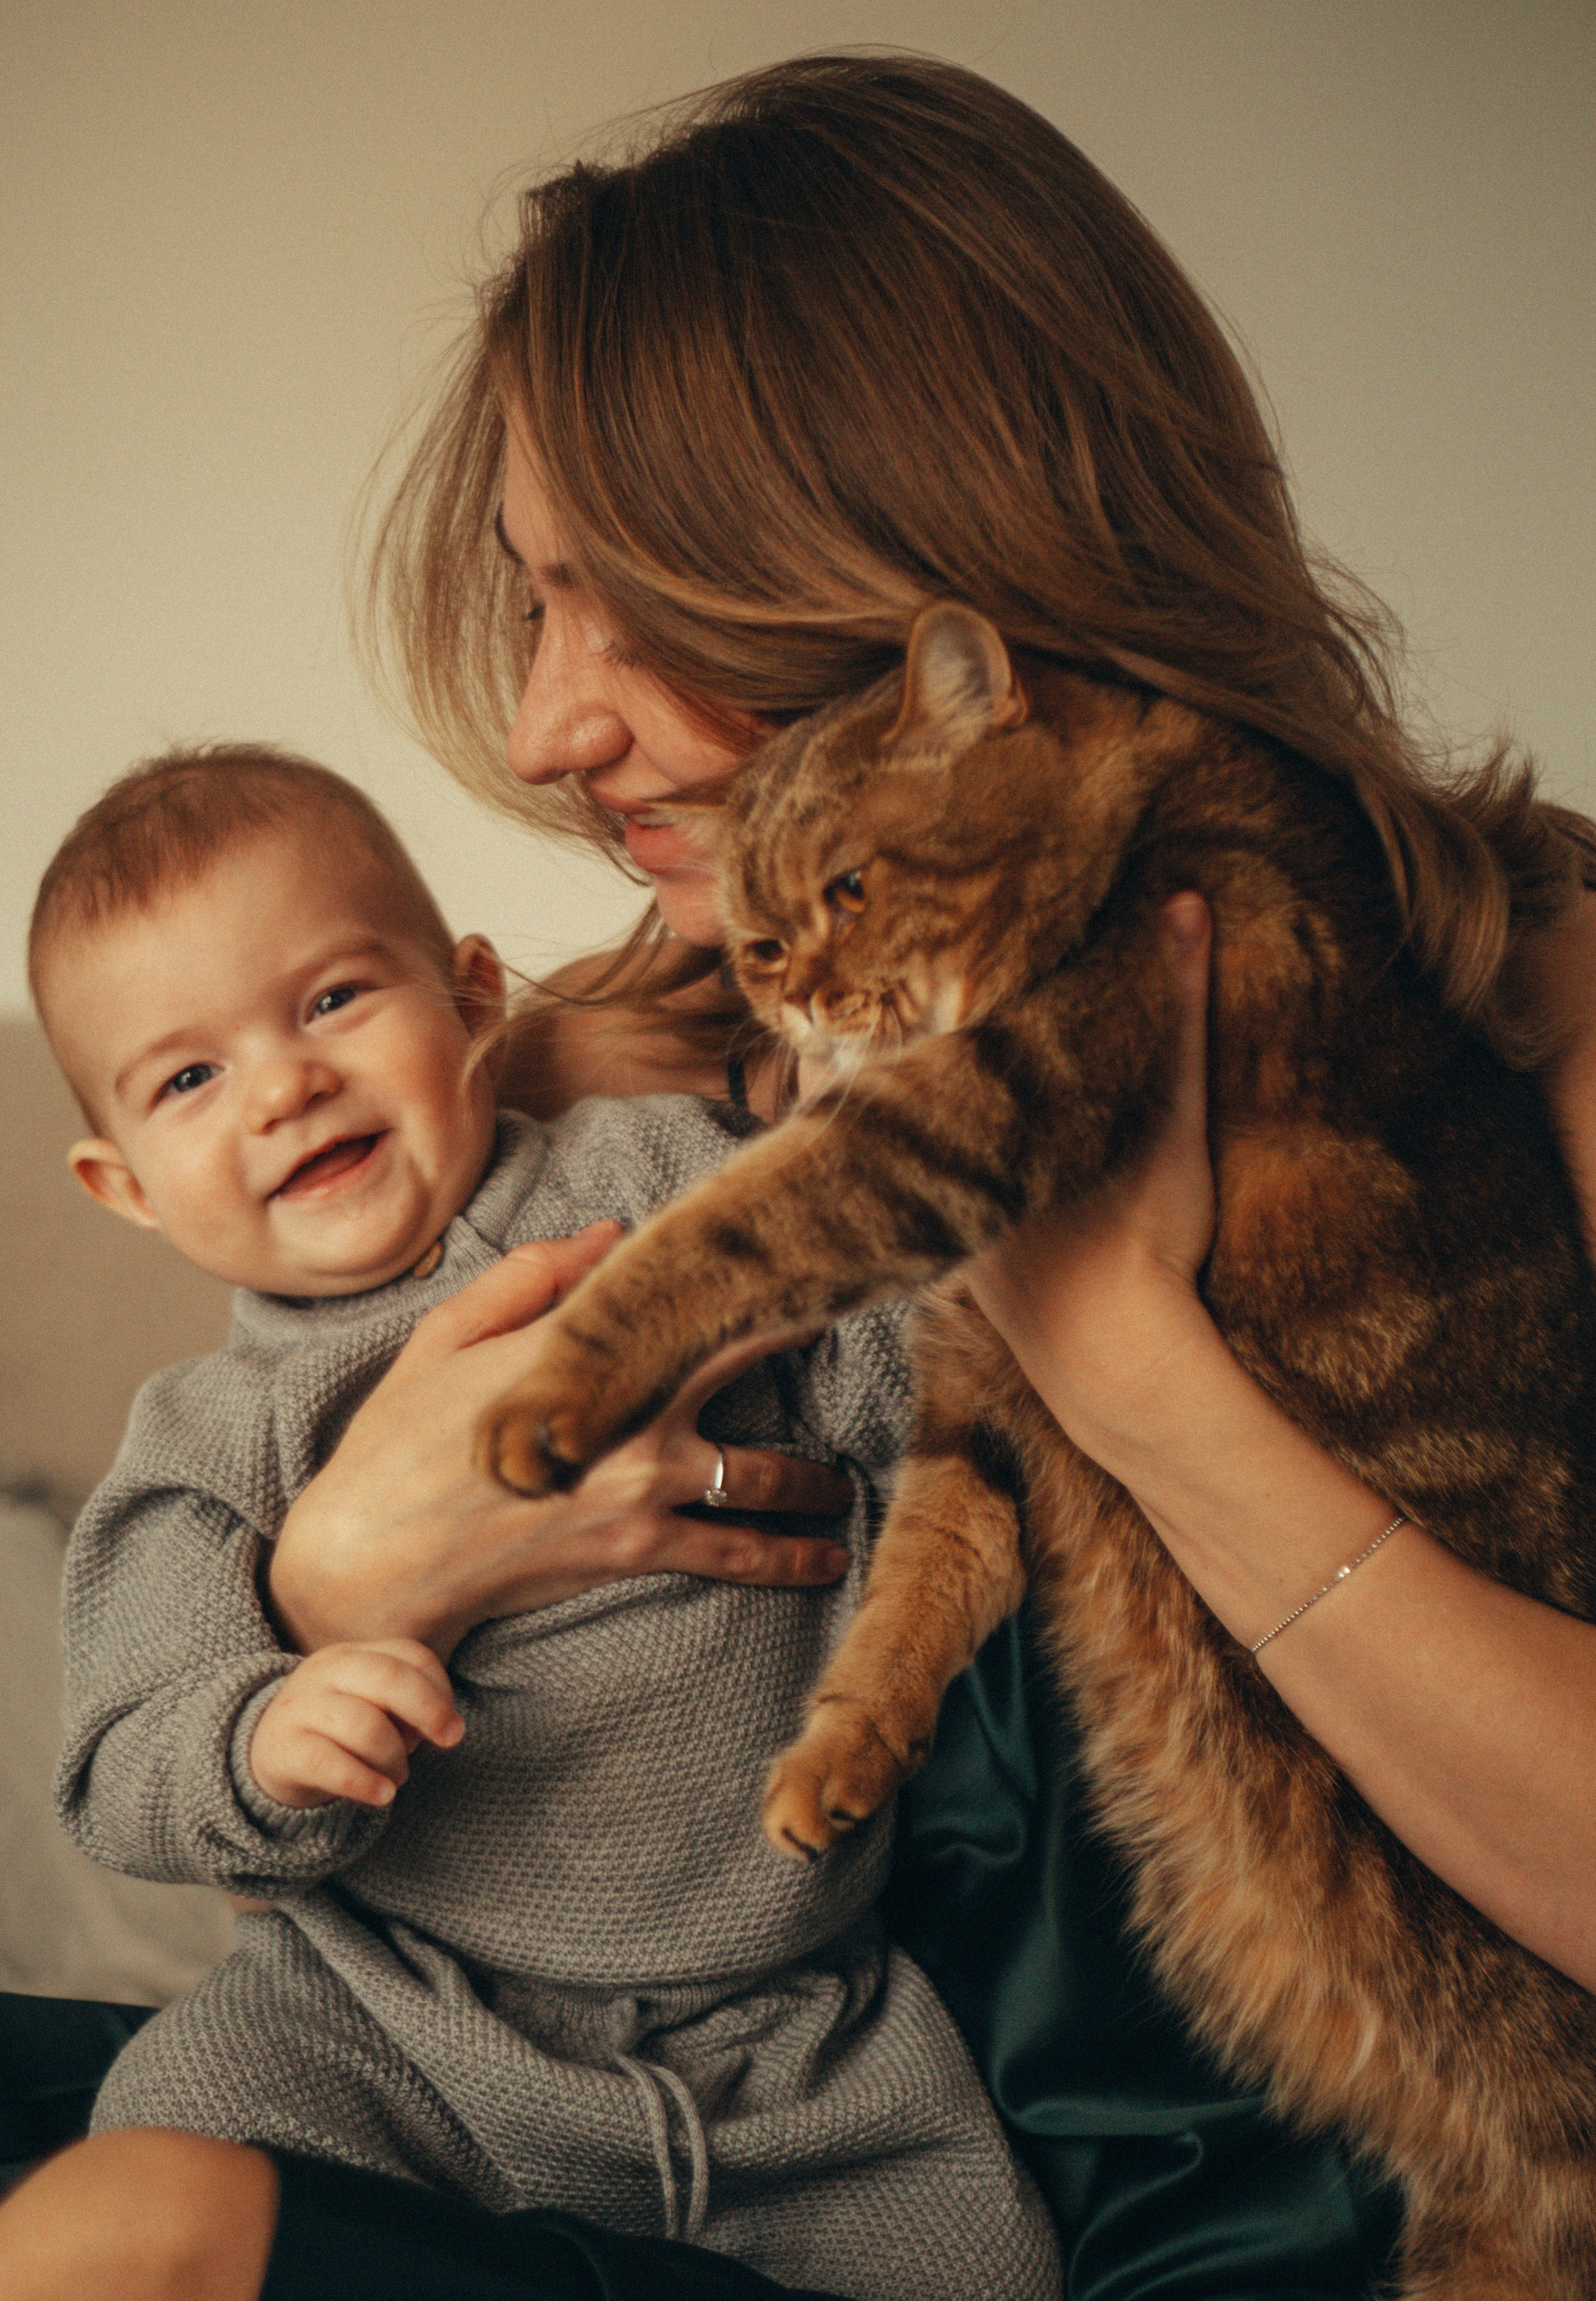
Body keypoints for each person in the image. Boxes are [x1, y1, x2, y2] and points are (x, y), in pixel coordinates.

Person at [4, 48, 1594, 2301]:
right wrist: (338, 1577)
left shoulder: (1527, 1000)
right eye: (531, 601)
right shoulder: (605, 1065)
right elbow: (367, 1894)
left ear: (940, 584)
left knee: (120, 2242)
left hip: (1126, 2216)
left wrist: (1131, 1371)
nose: (548, 723)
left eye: (621, 609)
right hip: (571, 2140)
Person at [16, 742, 1059, 2300]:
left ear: (473, 1000)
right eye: (190, 1078)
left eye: (331, 1002)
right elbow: (118, 1770)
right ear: (128, 1188)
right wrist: (259, 1738)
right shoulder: (203, 1437)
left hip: (790, 2033)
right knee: (151, 2159)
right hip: (384, 2026)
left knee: (989, 2268)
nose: (286, 1084)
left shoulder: (654, 1189)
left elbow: (901, 1361)